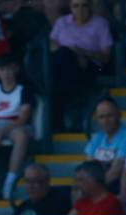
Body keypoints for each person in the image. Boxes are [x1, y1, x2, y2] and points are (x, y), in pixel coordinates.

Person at [50, 0, 113, 130]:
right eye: (76, 6)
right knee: (63, 55)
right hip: (65, 63)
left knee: (62, 64)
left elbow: (106, 56)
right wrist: (73, 53)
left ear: (90, 7)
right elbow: (51, 45)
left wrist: (84, 53)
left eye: (84, 5)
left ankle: (66, 113)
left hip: (92, 65)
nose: (80, 10)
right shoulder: (62, 22)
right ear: (70, 7)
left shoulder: (100, 24)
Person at [0, 54, 34, 199]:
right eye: (3, 69)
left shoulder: (24, 90)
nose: (7, 73)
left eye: (10, 69)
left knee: (22, 136)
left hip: (15, 125)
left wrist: (1, 132)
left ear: (16, 70)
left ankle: (10, 182)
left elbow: (23, 118)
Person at [84, 97, 126, 194]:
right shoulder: (97, 138)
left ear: (119, 115)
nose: (106, 121)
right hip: (97, 185)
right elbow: (88, 167)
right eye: (101, 117)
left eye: (110, 116)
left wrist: (95, 188)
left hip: (114, 186)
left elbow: (116, 170)